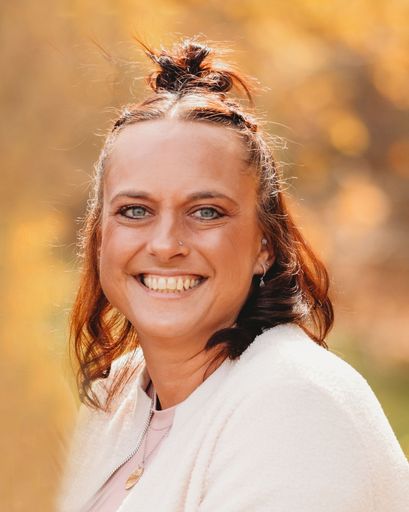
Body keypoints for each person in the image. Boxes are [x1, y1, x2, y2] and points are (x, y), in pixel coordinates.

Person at [58, 37, 409, 512]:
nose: (165, 244)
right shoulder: (117, 394)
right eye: (135, 210)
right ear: (100, 237)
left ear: (265, 244)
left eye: (206, 212)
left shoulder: (294, 407)